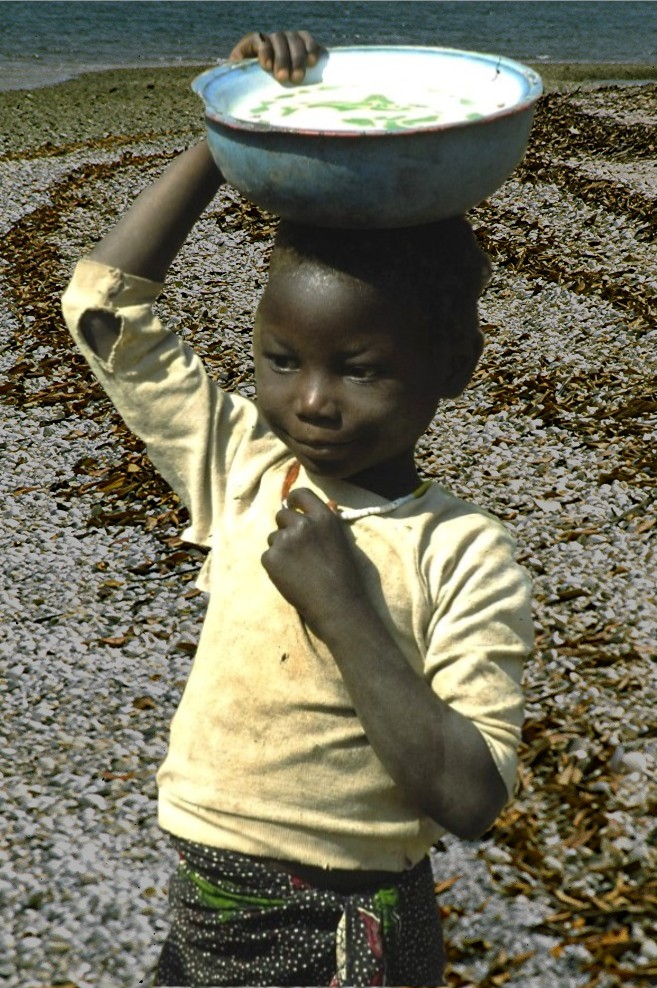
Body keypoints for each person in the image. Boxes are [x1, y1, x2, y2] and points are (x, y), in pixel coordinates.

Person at [61, 30, 533, 988]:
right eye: (283, 361)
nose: (312, 400)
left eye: (357, 370)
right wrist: (229, 134)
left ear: (451, 368)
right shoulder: (243, 466)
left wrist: (344, 607)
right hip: (204, 904)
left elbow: (469, 793)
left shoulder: (463, 554)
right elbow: (106, 307)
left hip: (343, 936)